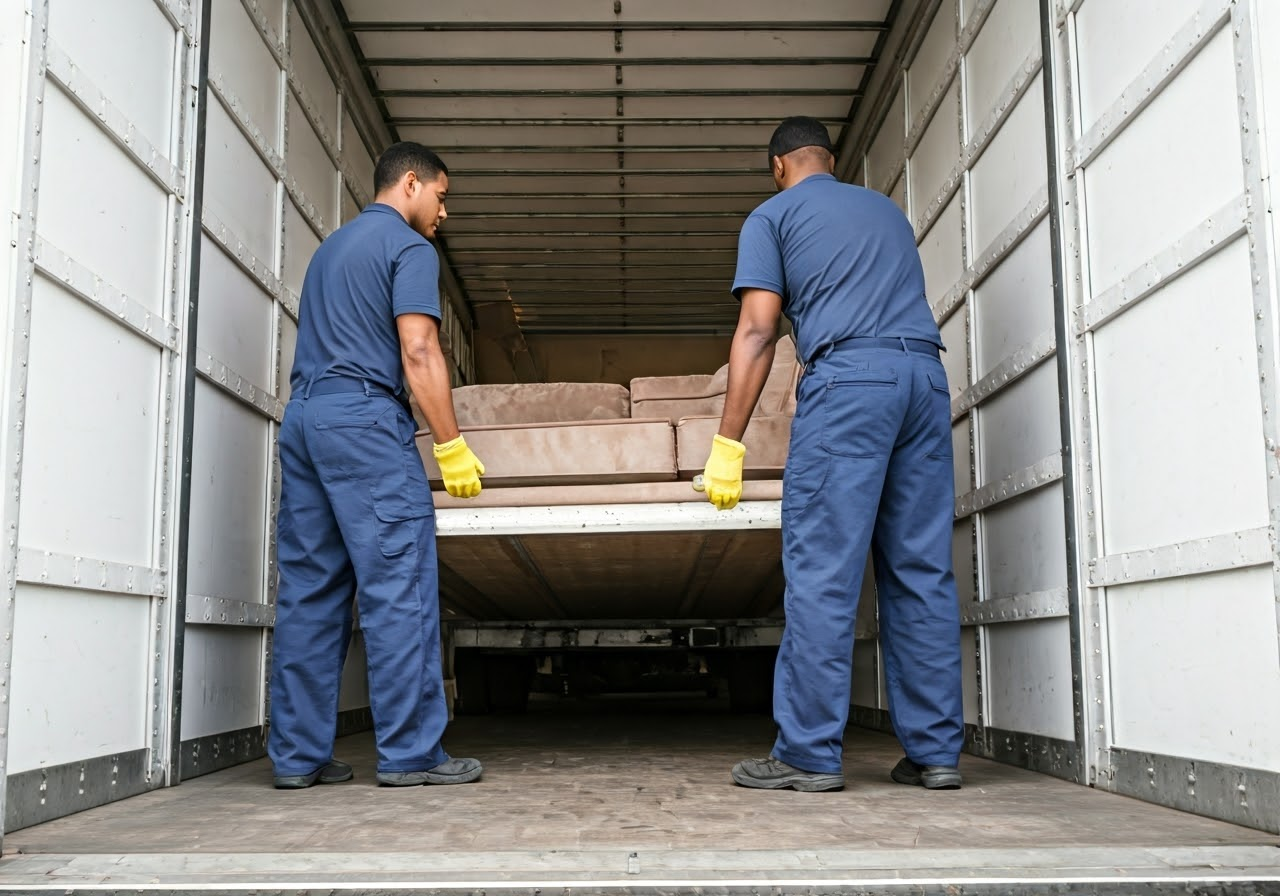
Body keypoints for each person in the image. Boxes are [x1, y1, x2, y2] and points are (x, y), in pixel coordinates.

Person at [698, 117, 964, 793]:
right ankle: (936, 754)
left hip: (850, 384)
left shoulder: (773, 216)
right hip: (925, 379)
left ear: (777, 166)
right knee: (921, 569)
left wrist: (727, 443)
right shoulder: (887, 212)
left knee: (824, 570)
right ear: (831, 160)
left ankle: (808, 753)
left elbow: (758, 333)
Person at [268, 141, 487, 789]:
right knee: (400, 588)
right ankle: (411, 754)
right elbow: (418, 350)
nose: (443, 214)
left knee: (310, 593)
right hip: (365, 422)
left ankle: (297, 758)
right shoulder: (411, 248)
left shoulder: (329, 250)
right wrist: (449, 444)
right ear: (411, 183)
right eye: (441, 197)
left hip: (306, 420)